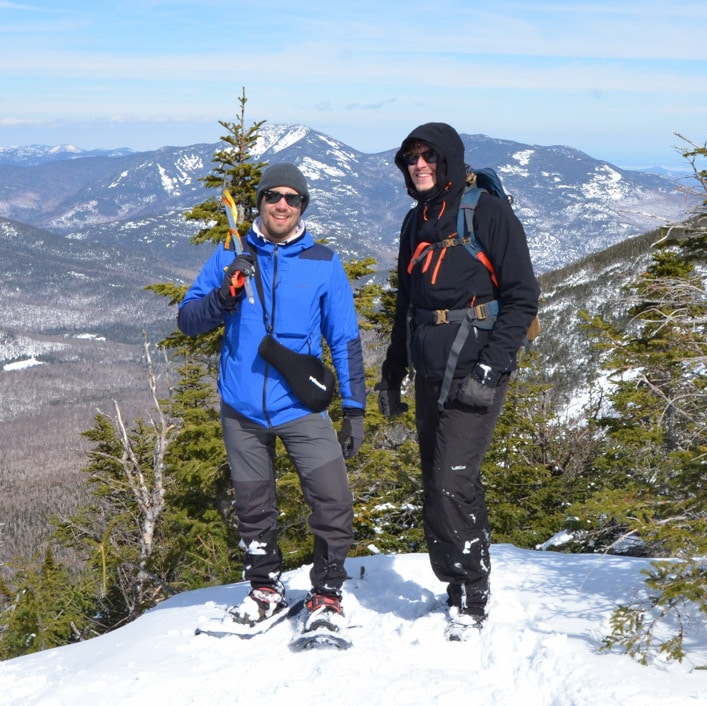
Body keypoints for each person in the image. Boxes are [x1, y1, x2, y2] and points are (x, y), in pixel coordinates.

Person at [178, 163, 366, 637]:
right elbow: (188, 320)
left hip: (300, 406)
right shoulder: (230, 254)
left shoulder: (324, 261)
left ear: (302, 206)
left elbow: (344, 338)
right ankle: (266, 588)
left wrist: (355, 408)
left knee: (332, 501)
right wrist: (225, 295)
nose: (282, 204)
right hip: (241, 408)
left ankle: (326, 594)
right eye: (273, 196)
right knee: (254, 505)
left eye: (293, 198)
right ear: (260, 201)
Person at [375, 123, 539, 636]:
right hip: (428, 367)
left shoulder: (487, 213)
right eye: (411, 158)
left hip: (475, 367)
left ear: (448, 160)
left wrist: (490, 369)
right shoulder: (414, 221)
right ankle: (456, 585)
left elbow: (522, 297)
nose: (418, 165)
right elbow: (408, 305)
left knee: (452, 480)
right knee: (439, 480)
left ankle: (472, 595)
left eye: (428, 156)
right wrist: (392, 370)